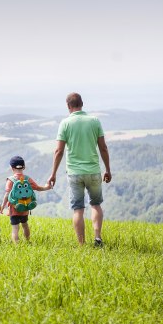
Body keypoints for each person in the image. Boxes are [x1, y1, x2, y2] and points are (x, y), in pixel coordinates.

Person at [48, 92, 112, 247]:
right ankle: (97, 238)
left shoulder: (65, 123)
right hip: (93, 171)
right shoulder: (94, 121)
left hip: (74, 173)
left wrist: (53, 173)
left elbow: (59, 151)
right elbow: (103, 147)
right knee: (95, 205)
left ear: (68, 106)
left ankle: (82, 245)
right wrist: (108, 169)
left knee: (78, 209)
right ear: (82, 104)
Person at [1, 155, 51, 243]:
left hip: (14, 208)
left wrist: (2, 206)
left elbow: (7, 195)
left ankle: (17, 245)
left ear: (11, 168)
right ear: (24, 167)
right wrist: (47, 187)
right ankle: (27, 241)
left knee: (15, 228)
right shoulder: (27, 179)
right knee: (25, 225)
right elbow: (37, 188)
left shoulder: (10, 180)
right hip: (25, 207)